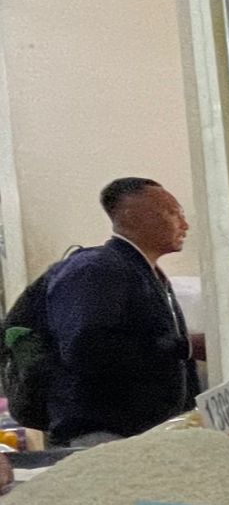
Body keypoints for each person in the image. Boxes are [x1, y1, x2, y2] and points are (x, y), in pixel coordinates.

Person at [44, 178, 199, 446]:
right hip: (104, 437)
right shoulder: (97, 269)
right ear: (132, 217)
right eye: (173, 214)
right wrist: (184, 347)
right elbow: (88, 349)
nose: (184, 225)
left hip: (143, 435)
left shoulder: (143, 271)